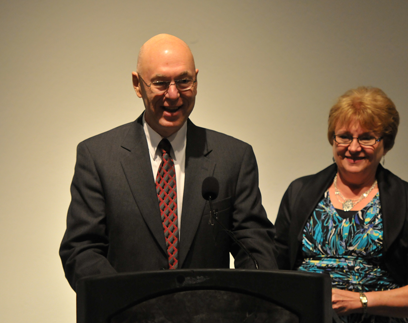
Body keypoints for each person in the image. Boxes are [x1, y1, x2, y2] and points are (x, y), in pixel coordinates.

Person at [60, 34, 277, 291]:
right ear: (137, 84)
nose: (173, 95)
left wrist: (245, 306)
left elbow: (255, 249)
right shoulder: (98, 157)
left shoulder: (234, 158)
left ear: (196, 80)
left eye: (184, 81)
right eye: (161, 83)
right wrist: (126, 304)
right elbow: (81, 251)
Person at [274, 86, 408, 322]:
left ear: (385, 143)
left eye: (366, 138)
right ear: (332, 138)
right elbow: (274, 274)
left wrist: (361, 301)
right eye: (344, 136)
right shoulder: (300, 192)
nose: (353, 147)